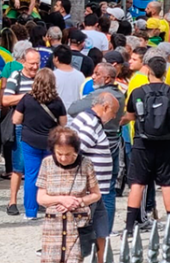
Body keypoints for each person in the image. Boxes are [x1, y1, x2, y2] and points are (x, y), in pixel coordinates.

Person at [122, 56, 170, 235]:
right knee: (168, 183)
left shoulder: (138, 92)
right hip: (167, 143)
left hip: (142, 142)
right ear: (165, 72)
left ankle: (130, 225)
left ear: (148, 71)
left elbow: (130, 115)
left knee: (137, 183)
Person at [37, 127, 102, 263]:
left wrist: (79, 201)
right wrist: (61, 199)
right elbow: (41, 197)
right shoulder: (47, 163)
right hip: (53, 226)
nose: (63, 158)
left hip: (78, 224)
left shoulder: (86, 164)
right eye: (59, 154)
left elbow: (96, 194)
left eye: (68, 154)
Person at [71, 92, 120, 263]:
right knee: (86, 228)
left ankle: (102, 259)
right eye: (113, 112)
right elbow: (76, 152)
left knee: (100, 227)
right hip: (89, 188)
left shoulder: (88, 118)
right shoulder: (91, 123)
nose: (114, 117)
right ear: (105, 107)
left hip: (96, 189)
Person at [13, 68, 67, 220]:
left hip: (30, 141)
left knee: (31, 176)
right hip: (50, 142)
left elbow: (16, 119)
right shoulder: (57, 101)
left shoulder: (27, 99)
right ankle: (53, 208)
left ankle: (31, 212)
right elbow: (63, 123)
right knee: (51, 176)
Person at [2, 47, 40, 216]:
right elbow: (5, 99)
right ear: (23, 62)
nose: (35, 67)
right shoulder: (16, 76)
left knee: (38, 166)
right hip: (21, 125)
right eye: (32, 63)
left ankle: (36, 199)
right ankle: (12, 201)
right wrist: (28, 96)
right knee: (18, 165)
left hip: (39, 126)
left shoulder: (41, 76)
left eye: (37, 63)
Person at [51, 45, 87, 116]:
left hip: (58, 116)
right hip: (76, 117)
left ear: (56, 58)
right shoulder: (80, 76)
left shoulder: (52, 76)